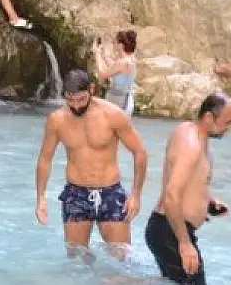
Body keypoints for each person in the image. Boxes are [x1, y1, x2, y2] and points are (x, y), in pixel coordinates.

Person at [35, 69, 148, 260]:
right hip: (76, 194)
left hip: (110, 192)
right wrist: (41, 198)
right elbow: (45, 159)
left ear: (92, 90)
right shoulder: (56, 120)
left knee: (121, 258)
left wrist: (136, 195)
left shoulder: (113, 115)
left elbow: (140, 153)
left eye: (81, 99)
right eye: (70, 100)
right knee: (77, 259)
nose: (76, 105)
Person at [145, 92, 231, 285]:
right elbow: (171, 196)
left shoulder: (189, 130)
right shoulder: (192, 145)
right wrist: (185, 244)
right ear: (208, 117)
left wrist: (208, 201)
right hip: (170, 230)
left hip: (166, 229)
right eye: (226, 123)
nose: (229, 128)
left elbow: (189, 181)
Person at [94, 30, 139, 116]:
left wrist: (97, 54)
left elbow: (102, 74)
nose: (113, 44)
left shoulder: (122, 62)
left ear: (121, 45)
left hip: (119, 101)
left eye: (115, 42)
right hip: (124, 99)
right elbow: (114, 67)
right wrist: (104, 55)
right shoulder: (130, 59)